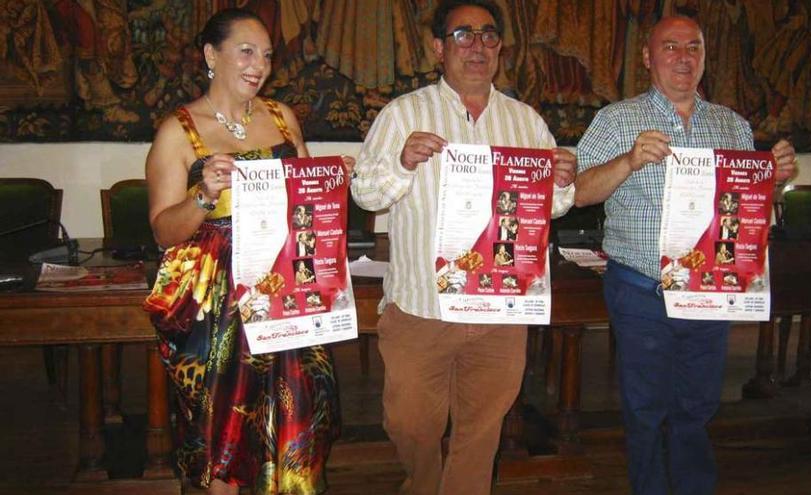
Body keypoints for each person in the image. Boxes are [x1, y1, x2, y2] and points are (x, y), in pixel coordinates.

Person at [350, 2, 575, 493]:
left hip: (500, 310)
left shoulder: (526, 121)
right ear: (438, 47)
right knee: (411, 425)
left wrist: (560, 181)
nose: (478, 46)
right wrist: (403, 163)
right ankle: (423, 484)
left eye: (489, 35)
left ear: (500, 47)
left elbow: (553, 208)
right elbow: (364, 193)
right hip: (422, 308)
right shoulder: (403, 114)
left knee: (480, 434)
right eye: (462, 35)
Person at [573, 15, 796, 495]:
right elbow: (577, 193)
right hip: (641, 291)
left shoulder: (732, 125)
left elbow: (750, 210)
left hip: (711, 292)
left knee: (697, 406)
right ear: (648, 58)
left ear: (704, 55)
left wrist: (773, 183)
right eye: (669, 47)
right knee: (646, 408)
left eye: (692, 46)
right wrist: (629, 160)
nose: (683, 57)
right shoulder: (617, 120)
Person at [143, 9, 352, 494]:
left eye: (267, 55)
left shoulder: (282, 117)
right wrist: (203, 195)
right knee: (227, 428)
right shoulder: (178, 130)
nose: (260, 64)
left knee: (296, 414)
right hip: (219, 302)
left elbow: (305, 203)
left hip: (286, 287)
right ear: (211, 55)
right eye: (246, 51)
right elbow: (163, 231)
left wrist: (332, 178)